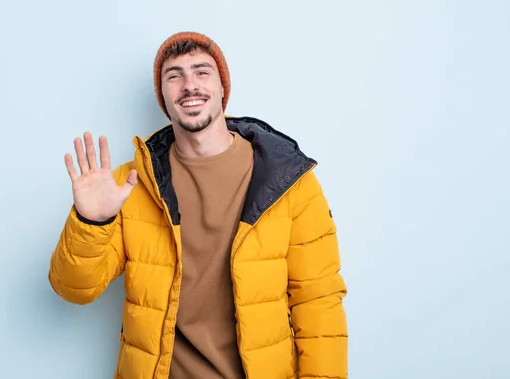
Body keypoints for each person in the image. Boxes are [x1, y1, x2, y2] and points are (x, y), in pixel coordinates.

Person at [48, 31, 348, 379]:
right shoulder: (131, 184)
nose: (189, 85)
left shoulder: (288, 180)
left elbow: (318, 303)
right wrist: (90, 222)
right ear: (163, 95)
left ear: (223, 88)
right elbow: (74, 289)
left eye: (202, 71)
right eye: (174, 75)